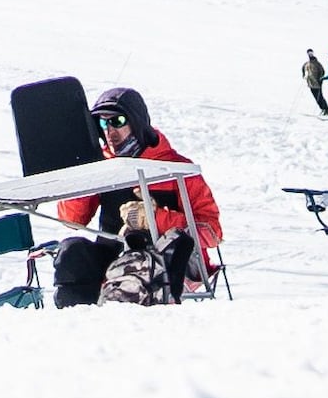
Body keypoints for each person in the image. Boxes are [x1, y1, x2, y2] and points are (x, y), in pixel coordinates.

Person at [51, 85, 221, 304]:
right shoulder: (103, 165)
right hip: (115, 254)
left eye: (117, 122)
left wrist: (155, 218)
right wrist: (82, 172)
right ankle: (77, 324)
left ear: (137, 121)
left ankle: (125, 324)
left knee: (135, 262)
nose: (110, 131)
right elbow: (72, 219)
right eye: (102, 123)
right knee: (71, 254)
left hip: (170, 259)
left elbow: (212, 232)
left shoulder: (176, 168)